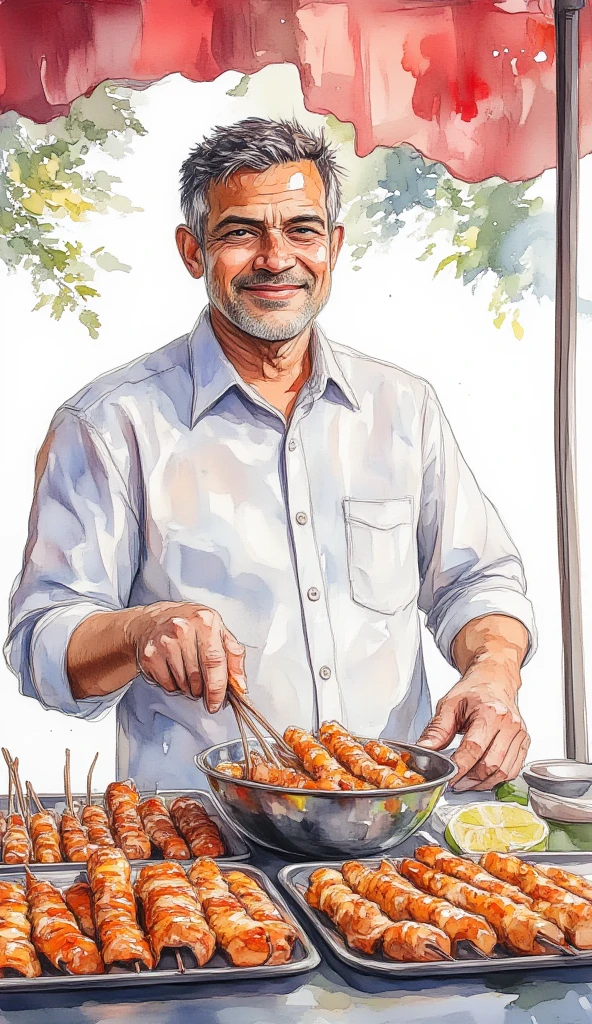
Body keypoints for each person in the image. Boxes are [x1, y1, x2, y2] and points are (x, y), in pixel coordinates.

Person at [5, 118, 536, 792]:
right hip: (202, 852)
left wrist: (494, 670)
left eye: (302, 230)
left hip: (395, 838)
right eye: (240, 232)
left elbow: (479, 581)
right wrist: (141, 630)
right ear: (192, 251)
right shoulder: (110, 423)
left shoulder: (404, 407)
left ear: (334, 247)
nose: (275, 257)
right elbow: (40, 647)